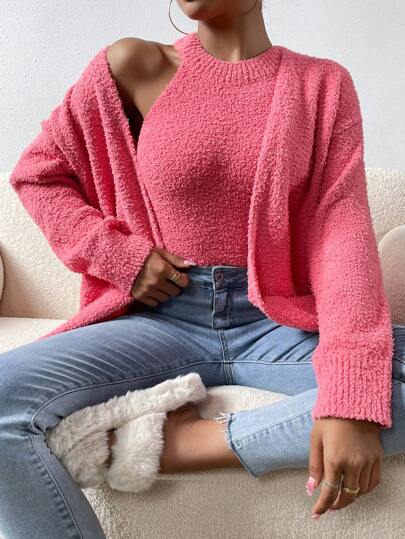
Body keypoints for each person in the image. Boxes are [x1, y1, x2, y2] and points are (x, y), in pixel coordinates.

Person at [1, 0, 405, 536]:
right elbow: (39, 174)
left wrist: (351, 402)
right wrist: (121, 258)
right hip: (162, 319)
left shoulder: (322, 85)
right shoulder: (135, 65)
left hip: (275, 325)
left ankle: (194, 443)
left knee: (366, 387)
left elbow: (340, 236)